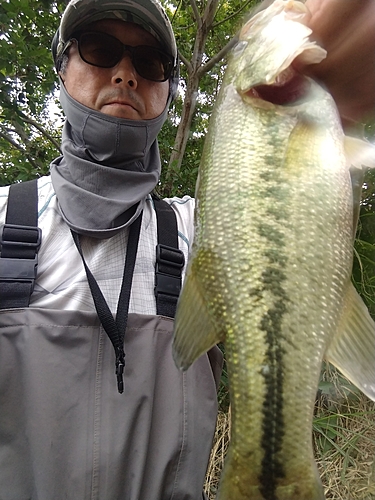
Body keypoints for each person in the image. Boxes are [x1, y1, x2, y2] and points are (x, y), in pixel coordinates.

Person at [0, 0, 373, 499]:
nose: (125, 75)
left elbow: (289, 231)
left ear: (168, 90)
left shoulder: (201, 230)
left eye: (149, 61)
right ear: (62, 67)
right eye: (100, 50)